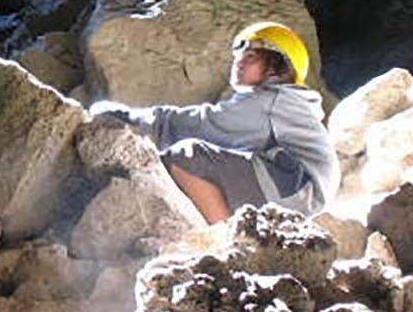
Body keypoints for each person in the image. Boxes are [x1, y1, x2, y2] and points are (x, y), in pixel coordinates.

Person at [91, 21, 340, 224]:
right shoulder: (284, 104)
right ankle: (235, 235)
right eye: (239, 56)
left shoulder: (273, 100)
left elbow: (205, 125)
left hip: (297, 184)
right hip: (298, 186)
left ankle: (225, 244)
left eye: (251, 56)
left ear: (277, 68)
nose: (239, 61)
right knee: (203, 166)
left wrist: (128, 118)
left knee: (187, 156)